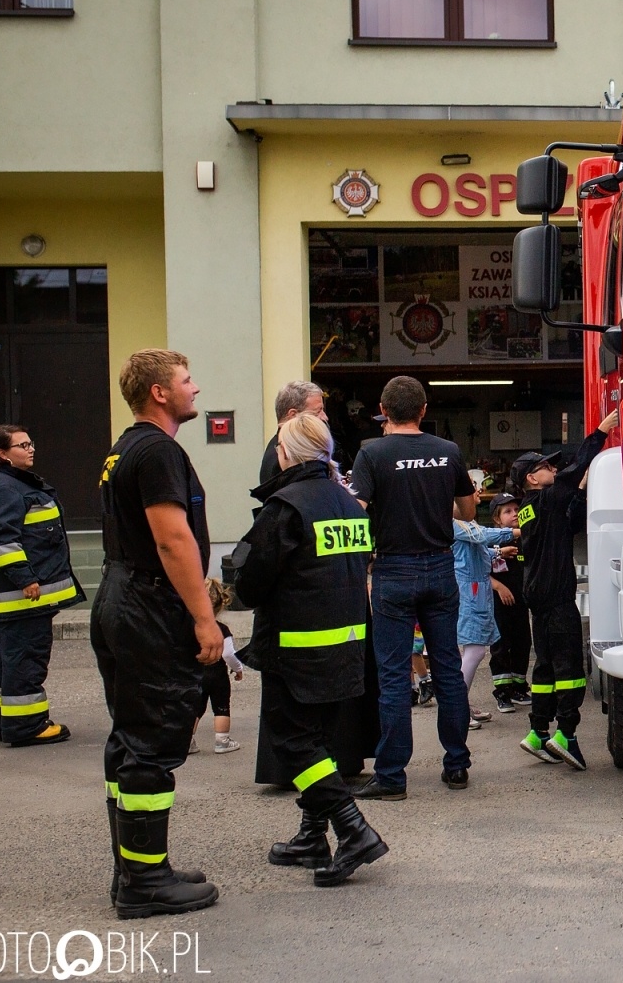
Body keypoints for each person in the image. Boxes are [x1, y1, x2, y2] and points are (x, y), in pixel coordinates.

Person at [92, 349, 221, 918]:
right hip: (147, 604)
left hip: (120, 596)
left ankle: (134, 867)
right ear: (160, 393)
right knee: (150, 737)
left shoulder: (125, 448)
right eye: (187, 381)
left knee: (128, 736)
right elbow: (172, 540)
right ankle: (145, 881)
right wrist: (203, 616)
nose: (196, 388)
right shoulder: (159, 450)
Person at [235, 412, 388, 887]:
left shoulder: (286, 507)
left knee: (294, 740)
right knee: (318, 740)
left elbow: (249, 583)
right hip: (345, 643)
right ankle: (311, 834)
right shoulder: (348, 503)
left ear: (286, 453)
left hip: (297, 647)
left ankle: (353, 829)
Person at [350, 376, 476, 800]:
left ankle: (391, 776)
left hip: (393, 570)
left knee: (392, 677)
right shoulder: (448, 452)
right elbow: (469, 507)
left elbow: (358, 512)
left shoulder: (371, 454)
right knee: (448, 671)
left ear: (384, 411)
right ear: (424, 409)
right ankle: (456, 764)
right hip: (441, 567)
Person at [512, 409, 620, 772]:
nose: (554, 470)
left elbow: (569, 520)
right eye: (547, 467)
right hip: (558, 600)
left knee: (543, 668)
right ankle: (567, 736)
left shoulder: (530, 510)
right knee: (569, 668)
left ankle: (538, 732)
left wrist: (583, 489)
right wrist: (602, 431)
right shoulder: (546, 499)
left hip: (537, 600)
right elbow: (575, 469)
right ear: (532, 477)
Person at [0, 424, 83, 745]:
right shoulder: (6, 488)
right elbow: (1, 541)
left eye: (30, 443)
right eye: (22, 445)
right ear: (3, 454)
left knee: (10, 660)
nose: (30, 448)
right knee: (27, 658)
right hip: (24, 596)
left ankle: (3, 720)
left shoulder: (5, 483)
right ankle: (27, 726)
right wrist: (26, 578)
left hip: (17, 598)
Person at [452, 482, 517, 729]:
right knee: (476, 650)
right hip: (470, 592)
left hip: (476, 591)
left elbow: (477, 551)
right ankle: (457, 709)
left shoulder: (466, 525)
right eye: (471, 489)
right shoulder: (457, 526)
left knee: (474, 649)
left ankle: (461, 705)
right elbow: (481, 537)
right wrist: (515, 533)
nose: (477, 492)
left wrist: (498, 552)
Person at [486, 492, 532, 714]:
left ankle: (518, 686)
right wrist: (498, 586)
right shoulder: (491, 540)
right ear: (497, 519)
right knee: (501, 645)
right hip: (498, 602)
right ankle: (502, 692)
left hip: (521, 602)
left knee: (523, 642)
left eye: (516, 510)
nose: (514, 514)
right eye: (507, 511)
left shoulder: (524, 538)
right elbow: (475, 570)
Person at [191, 579, 244, 755]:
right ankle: (222, 741)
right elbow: (228, 654)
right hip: (217, 675)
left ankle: (187, 741)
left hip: (196, 674)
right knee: (221, 705)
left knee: (195, 708)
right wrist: (238, 669)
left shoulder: (192, 628)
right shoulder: (221, 629)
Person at [260, 380, 326, 487]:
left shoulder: (300, 449)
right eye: (317, 412)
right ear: (293, 415)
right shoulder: (280, 461)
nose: (324, 417)